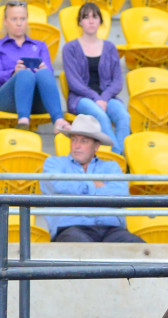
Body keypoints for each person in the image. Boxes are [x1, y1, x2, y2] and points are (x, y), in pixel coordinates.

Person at [40, 114, 143, 243]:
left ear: (96, 146)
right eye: (74, 140)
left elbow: (120, 193)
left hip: (111, 228)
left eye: (83, 141)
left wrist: (76, 188)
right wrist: (95, 185)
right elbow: (58, 186)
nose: (76, 145)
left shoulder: (111, 166)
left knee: (138, 247)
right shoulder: (54, 163)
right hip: (71, 228)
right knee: (79, 247)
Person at [61, 2, 129, 155]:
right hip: (81, 98)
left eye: (95, 17)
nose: (91, 21)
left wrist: (103, 98)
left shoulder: (110, 48)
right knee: (100, 115)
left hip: (107, 98)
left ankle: (116, 158)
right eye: (86, 17)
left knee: (124, 117)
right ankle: (117, 158)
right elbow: (74, 82)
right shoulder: (70, 48)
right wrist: (95, 98)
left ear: (100, 21)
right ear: (80, 22)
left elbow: (117, 82)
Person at [0, 0, 69, 131]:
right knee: (24, 74)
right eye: (14, 19)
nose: (19, 23)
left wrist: (42, 70)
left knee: (44, 72)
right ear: (5, 21)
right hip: (6, 100)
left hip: (37, 100)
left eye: (23, 18)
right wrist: (13, 73)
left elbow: (48, 73)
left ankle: (58, 120)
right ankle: (23, 120)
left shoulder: (40, 45)